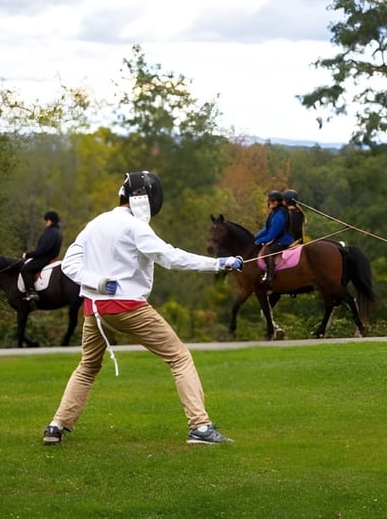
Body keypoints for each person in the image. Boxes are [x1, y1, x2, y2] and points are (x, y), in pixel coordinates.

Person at [43, 171, 243, 446]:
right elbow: (170, 257)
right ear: (146, 199)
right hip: (128, 307)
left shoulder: (96, 223)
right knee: (180, 358)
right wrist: (219, 263)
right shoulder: (136, 227)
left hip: (95, 310)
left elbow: (69, 264)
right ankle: (200, 427)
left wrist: (97, 284)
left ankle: (56, 426)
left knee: (88, 366)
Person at [21, 210, 63, 301]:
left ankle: (31, 292)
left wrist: (28, 255)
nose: (45, 222)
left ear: (50, 220)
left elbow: (42, 250)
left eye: (46, 220)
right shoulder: (58, 232)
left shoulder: (50, 232)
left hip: (45, 258)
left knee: (25, 269)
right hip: (53, 257)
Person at [254, 190, 294, 284]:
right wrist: (254, 237)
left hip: (284, 239)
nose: (271, 202)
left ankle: (270, 277)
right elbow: (266, 229)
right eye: (270, 200)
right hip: (277, 238)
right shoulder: (274, 212)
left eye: (274, 201)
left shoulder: (280, 214)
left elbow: (272, 234)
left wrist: (258, 241)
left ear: (279, 202)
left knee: (268, 252)